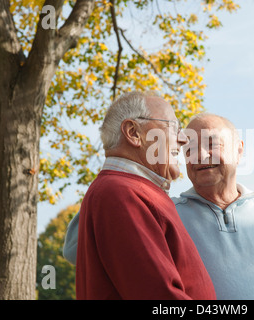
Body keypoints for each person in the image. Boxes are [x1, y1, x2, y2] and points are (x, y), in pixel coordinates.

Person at [64, 111, 254, 300]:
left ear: (239, 150)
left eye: (211, 144)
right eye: (189, 149)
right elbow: (79, 248)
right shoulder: (164, 211)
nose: (200, 155)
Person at [71, 91, 216, 300]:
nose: (183, 139)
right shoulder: (119, 193)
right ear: (133, 133)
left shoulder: (128, 190)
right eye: (173, 127)